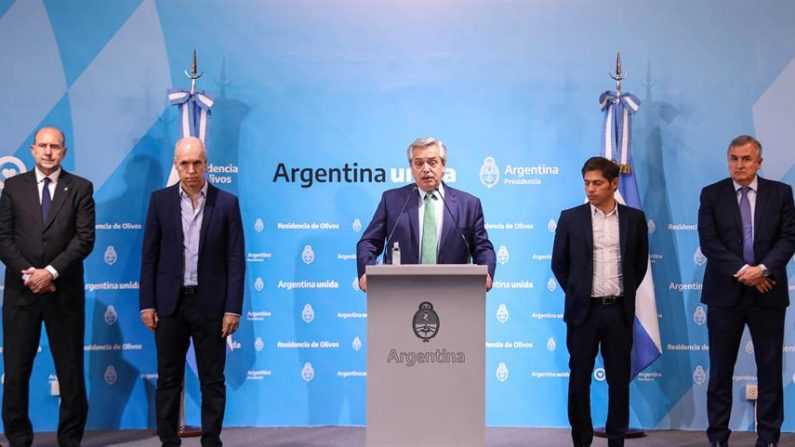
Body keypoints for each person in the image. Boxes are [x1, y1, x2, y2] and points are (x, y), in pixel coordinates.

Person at [139, 136, 245, 447]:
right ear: (176, 165)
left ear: (206, 164)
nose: (191, 170)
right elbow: (149, 256)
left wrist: (233, 308)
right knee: (168, 379)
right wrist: (147, 303)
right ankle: (169, 441)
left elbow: (236, 260)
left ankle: (211, 440)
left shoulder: (227, 203)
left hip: (211, 305)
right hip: (169, 304)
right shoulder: (159, 201)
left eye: (197, 162)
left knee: (213, 380)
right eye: (184, 163)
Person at [0, 127, 95, 447]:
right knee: (15, 373)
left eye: (55, 146)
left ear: (64, 152)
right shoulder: (12, 187)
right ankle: (18, 438)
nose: (48, 152)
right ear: (32, 150)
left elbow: (84, 239)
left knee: (69, 372)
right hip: (20, 293)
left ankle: (70, 439)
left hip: (64, 294)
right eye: (43, 146)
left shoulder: (80, 188)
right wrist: (30, 274)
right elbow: (3, 238)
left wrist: (51, 272)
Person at [698, 135, 795, 447]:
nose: (739, 165)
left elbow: (789, 238)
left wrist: (763, 270)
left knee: (769, 371)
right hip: (724, 295)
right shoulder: (711, 194)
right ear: (728, 160)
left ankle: (767, 438)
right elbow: (709, 242)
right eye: (734, 158)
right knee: (719, 373)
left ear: (759, 162)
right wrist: (747, 273)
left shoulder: (781, 193)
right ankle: (717, 439)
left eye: (746, 159)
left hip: (768, 293)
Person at [551, 156, 648, 447]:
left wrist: (622, 294)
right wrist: (578, 292)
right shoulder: (570, 218)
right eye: (587, 183)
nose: (590, 189)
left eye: (597, 183)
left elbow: (639, 265)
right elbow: (560, 264)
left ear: (613, 184)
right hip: (584, 312)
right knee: (579, 379)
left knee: (619, 381)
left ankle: (616, 438)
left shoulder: (634, 219)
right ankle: (581, 439)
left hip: (618, 311)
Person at [356, 137, 496, 291]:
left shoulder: (469, 204)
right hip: (400, 292)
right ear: (411, 169)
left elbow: (482, 247)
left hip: (453, 292)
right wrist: (366, 271)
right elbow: (368, 242)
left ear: (443, 166)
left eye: (432, 162)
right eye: (419, 163)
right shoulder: (392, 200)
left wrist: (486, 271)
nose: (426, 169)